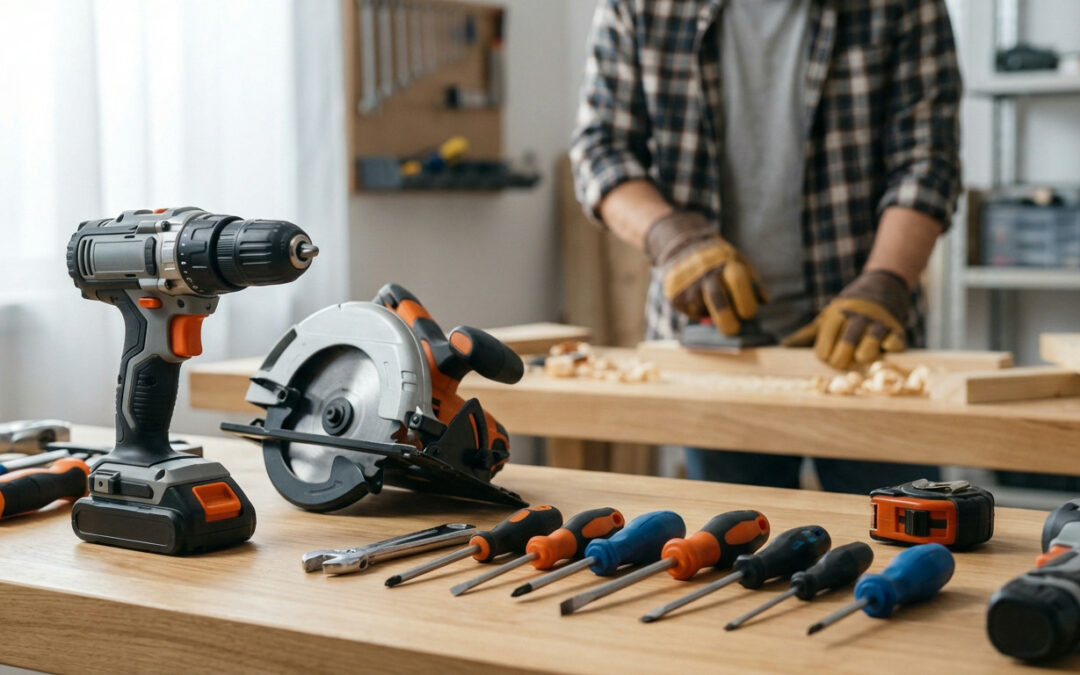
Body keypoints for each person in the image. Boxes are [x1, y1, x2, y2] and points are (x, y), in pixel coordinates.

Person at [570, 0, 962, 494]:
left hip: (868, 351)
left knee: (901, 530)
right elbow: (601, 151)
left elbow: (927, 162)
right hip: (714, 351)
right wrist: (675, 239)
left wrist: (886, 279)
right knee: (735, 536)